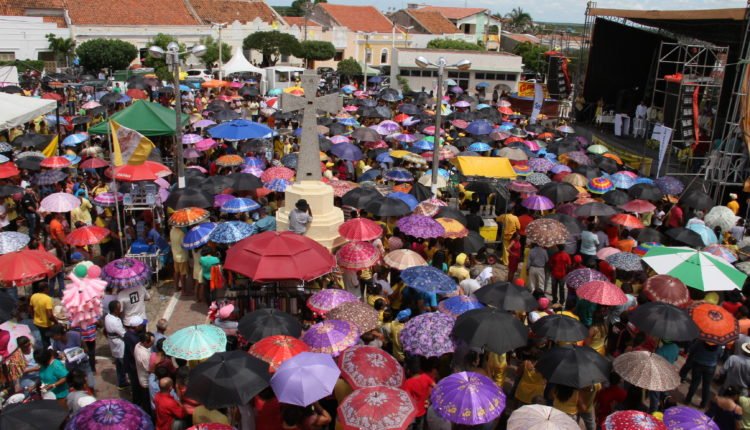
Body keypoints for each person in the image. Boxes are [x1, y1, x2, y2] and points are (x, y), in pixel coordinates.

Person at [683, 340, 724, 408]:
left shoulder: (700, 342)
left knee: (694, 383)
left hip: (698, 364)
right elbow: (720, 355)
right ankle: (703, 404)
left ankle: (688, 400)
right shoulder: (719, 346)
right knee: (706, 386)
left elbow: (692, 349)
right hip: (710, 367)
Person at [104, 300, 129, 390]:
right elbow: (123, 334)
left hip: (113, 345)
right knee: (127, 366)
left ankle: (122, 383)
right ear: (115, 310)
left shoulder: (107, 317)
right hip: (120, 345)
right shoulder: (115, 321)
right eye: (119, 309)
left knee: (119, 366)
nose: (120, 310)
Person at [30, 282, 55, 349]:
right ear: (45, 289)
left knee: (44, 338)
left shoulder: (33, 296)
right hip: (46, 324)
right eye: (48, 288)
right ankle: (50, 351)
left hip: (37, 323)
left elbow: (30, 309)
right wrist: (56, 322)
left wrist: (34, 318)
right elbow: (50, 316)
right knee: (51, 338)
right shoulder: (47, 299)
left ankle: (47, 349)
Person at [170, 226, 188, 291]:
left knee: (176, 272)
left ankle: (176, 287)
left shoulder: (172, 231)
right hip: (182, 256)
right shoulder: (181, 233)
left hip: (175, 255)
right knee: (183, 274)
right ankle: (184, 290)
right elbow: (184, 245)